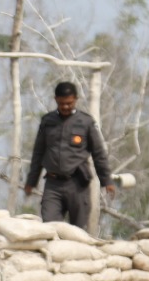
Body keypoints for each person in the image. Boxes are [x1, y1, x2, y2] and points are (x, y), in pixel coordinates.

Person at [22, 81, 114, 228]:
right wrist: (31, 182)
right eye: (61, 103)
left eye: (69, 103)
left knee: (78, 231)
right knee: (49, 226)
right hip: (53, 184)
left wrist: (107, 181)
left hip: (77, 184)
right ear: (56, 100)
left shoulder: (85, 122)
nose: (65, 107)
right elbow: (38, 153)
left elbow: (98, 153)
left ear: (75, 99)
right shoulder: (47, 121)